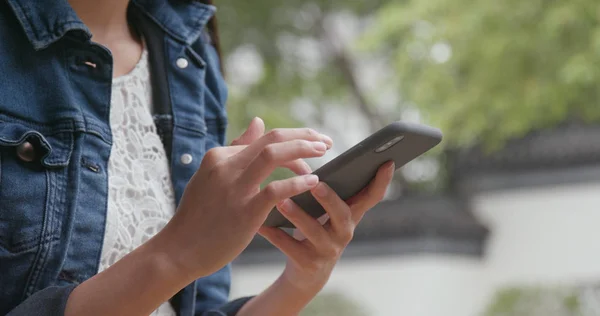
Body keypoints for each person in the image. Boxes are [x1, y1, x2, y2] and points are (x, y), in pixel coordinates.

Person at [0, 0, 395, 315]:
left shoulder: (188, 53)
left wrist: (304, 278)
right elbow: (179, 258)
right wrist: (177, 253)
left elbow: (198, 304)